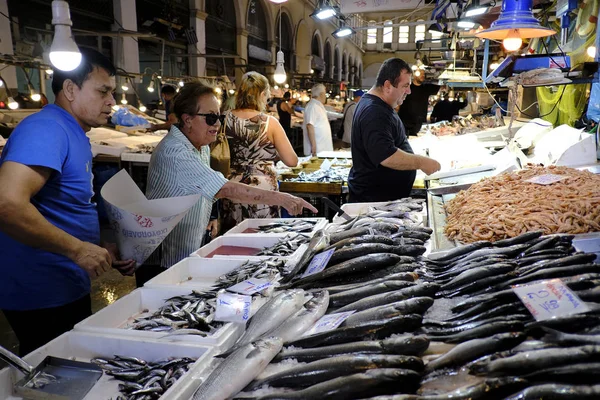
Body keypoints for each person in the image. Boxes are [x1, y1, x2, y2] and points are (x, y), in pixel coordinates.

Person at [0, 48, 136, 356]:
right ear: (70, 89)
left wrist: (101, 249)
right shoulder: (47, 129)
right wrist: (78, 249)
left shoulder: (73, 132)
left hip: (66, 282)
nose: (112, 102)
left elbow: (65, 207)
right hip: (41, 292)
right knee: (57, 377)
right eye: (103, 92)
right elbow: (7, 204)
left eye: (112, 93)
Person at [138, 82, 316, 284]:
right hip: (164, 259)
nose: (217, 125)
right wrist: (282, 198)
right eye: (211, 118)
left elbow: (204, 185)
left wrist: (211, 215)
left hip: (187, 247)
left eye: (220, 117)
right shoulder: (176, 153)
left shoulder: (200, 145)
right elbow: (224, 188)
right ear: (187, 120)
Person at [348, 58, 441, 203]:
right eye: (405, 86)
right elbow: (386, 155)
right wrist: (421, 162)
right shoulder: (374, 111)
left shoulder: (380, 106)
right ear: (387, 86)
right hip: (374, 203)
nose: (409, 91)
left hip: (382, 200)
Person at [220, 72, 299, 233]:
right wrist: (268, 154)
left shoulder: (224, 119)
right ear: (262, 94)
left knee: (234, 235)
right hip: (262, 187)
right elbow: (291, 161)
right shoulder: (270, 123)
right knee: (262, 236)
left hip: (232, 184)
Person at [397, 70, 440, 136]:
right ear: (414, 75)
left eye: (423, 74)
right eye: (421, 74)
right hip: (405, 122)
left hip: (419, 123)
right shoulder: (406, 88)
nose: (423, 76)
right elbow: (397, 104)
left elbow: (442, 87)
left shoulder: (426, 88)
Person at [303, 83, 333, 156]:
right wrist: (314, 146)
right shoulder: (312, 106)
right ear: (321, 94)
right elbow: (309, 126)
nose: (325, 96)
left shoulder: (317, 105)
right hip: (318, 150)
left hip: (323, 148)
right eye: (325, 94)